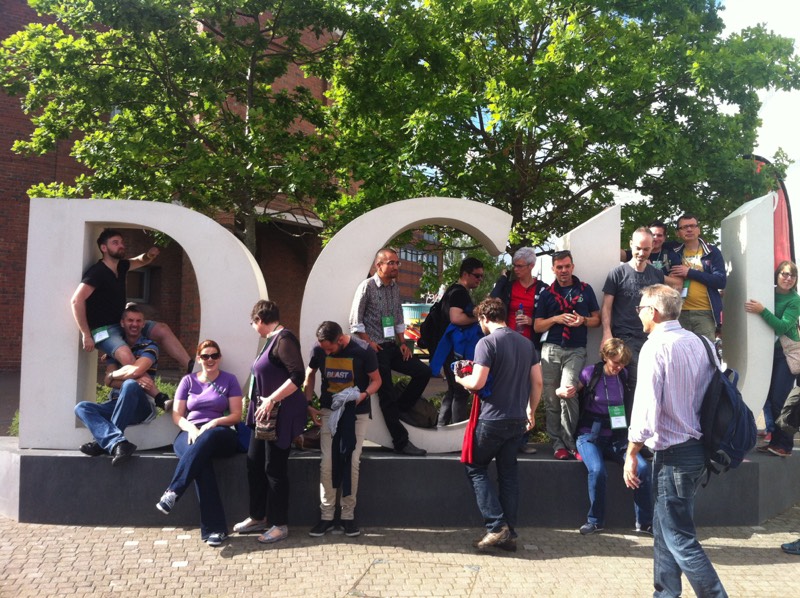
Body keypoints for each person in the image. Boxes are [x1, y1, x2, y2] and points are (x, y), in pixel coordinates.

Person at [624, 284, 728, 598]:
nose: (638, 314)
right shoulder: (701, 342)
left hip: (674, 455)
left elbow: (646, 409)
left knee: (680, 537)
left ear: (653, 312)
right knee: (664, 531)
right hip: (697, 450)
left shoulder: (655, 347)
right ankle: (666, 593)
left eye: (640, 308)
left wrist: (631, 453)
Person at [455, 298, 542, 552]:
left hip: (492, 419)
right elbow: (537, 382)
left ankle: (496, 526)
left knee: (475, 467)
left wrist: (460, 379)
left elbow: (477, 383)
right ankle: (509, 534)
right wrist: (531, 410)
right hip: (517, 419)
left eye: (479, 321)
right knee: (508, 475)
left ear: (484, 318)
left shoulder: (486, 342)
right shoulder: (526, 343)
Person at [232, 300, 308, 543]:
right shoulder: (271, 341)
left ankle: (279, 524)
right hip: (263, 417)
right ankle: (258, 516)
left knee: (274, 469)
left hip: (278, 418)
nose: (253, 327)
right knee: (254, 464)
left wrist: (272, 400)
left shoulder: (284, 339)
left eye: (252, 323)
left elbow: (298, 375)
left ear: (259, 320)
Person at [155, 340, 242, 547]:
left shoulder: (229, 380)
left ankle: (173, 491)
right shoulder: (188, 381)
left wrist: (214, 422)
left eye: (214, 355)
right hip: (189, 432)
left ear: (219, 358)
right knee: (201, 465)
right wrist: (191, 428)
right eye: (205, 356)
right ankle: (216, 530)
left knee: (208, 437)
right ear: (198, 359)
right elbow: (177, 415)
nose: (210, 360)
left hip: (219, 432)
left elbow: (236, 415)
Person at [70, 228, 193, 372]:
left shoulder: (121, 266)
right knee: (127, 357)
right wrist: (86, 335)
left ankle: (192, 368)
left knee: (162, 329)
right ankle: (149, 387)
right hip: (103, 330)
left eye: (121, 242)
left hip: (122, 323)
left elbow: (140, 260)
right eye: (115, 243)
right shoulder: (97, 272)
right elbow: (76, 301)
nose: (121, 245)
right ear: (104, 248)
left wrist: (149, 255)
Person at [304, 321, 381, 538]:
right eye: (324, 349)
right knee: (327, 463)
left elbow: (377, 380)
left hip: (356, 413)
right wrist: (308, 403)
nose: (327, 353)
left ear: (340, 339)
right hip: (330, 411)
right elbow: (310, 373)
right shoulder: (318, 349)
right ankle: (327, 516)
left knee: (352, 462)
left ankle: (348, 515)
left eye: (330, 349)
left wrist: (363, 395)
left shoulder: (363, 350)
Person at [349, 248, 429, 456]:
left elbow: (398, 318)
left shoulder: (394, 288)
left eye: (397, 263)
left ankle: (400, 409)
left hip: (392, 345)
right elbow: (355, 322)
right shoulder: (366, 287)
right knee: (386, 394)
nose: (395, 266)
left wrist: (402, 343)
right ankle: (401, 442)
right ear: (379, 265)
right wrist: (369, 343)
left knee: (423, 372)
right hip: (374, 349)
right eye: (391, 263)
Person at [574, 338, 652, 535]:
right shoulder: (590, 373)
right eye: (616, 362)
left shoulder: (622, 375)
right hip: (589, 435)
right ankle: (595, 521)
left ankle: (645, 522)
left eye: (623, 363)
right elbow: (574, 393)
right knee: (598, 471)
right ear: (606, 357)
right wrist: (564, 391)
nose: (619, 367)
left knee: (643, 468)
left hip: (616, 436)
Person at [74, 304, 164, 466]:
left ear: (143, 324)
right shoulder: (115, 349)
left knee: (130, 385)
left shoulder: (150, 346)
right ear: (122, 323)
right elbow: (108, 382)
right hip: (116, 404)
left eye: (138, 321)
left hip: (141, 406)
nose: (134, 324)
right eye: (130, 320)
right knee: (82, 408)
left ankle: (102, 443)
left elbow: (135, 371)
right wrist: (116, 376)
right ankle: (117, 443)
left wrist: (116, 375)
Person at [534, 249, 600, 460]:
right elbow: (537, 326)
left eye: (567, 266)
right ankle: (557, 444)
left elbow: (597, 320)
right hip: (551, 349)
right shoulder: (547, 294)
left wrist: (583, 320)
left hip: (576, 349)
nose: (563, 270)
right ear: (553, 269)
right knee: (552, 400)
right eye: (559, 267)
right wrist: (556, 319)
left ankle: (571, 442)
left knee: (569, 393)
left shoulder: (585, 290)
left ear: (573, 267)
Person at [602, 227, 665, 415]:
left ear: (652, 247)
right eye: (638, 248)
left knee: (651, 381)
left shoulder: (657, 275)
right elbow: (606, 306)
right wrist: (606, 333)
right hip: (623, 337)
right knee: (634, 380)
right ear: (630, 245)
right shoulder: (617, 273)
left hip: (650, 338)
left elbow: (660, 307)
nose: (641, 253)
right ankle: (631, 426)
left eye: (646, 249)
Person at [745, 260, 800, 457]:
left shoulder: (795, 300)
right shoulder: (766, 292)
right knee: (767, 398)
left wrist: (762, 311)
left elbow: (782, 327)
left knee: (780, 399)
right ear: (777, 275)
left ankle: (784, 445)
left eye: (792, 275)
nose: (788, 278)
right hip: (765, 350)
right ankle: (774, 441)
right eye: (784, 274)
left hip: (785, 353)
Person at [436, 257, 484, 426]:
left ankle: (442, 426)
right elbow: (456, 318)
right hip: (455, 349)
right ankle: (458, 431)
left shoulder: (452, 291)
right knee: (460, 391)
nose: (479, 279)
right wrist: (478, 318)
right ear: (465, 274)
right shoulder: (459, 293)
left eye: (481, 276)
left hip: (449, 348)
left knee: (453, 390)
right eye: (477, 275)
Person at [669, 214, 726, 341]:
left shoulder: (712, 252)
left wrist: (690, 273)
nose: (689, 229)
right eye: (684, 227)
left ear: (699, 229)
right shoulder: (673, 253)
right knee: (682, 350)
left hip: (704, 312)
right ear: (678, 233)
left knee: (705, 350)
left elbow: (721, 281)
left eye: (692, 226)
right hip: (678, 312)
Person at [490, 247, 548, 351]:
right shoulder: (509, 287)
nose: (515, 269)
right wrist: (503, 279)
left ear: (531, 266)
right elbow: (492, 300)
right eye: (514, 265)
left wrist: (532, 321)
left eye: (519, 266)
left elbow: (549, 316)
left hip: (532, 345)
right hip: (509, 343)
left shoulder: (542, 289)